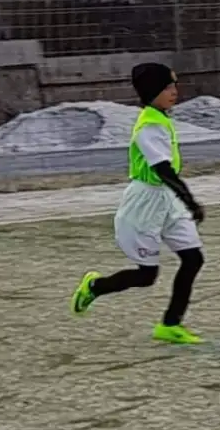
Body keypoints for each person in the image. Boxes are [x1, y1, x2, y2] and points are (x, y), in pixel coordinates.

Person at [70, 63, 207, 344]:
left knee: (193, 258)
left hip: (165, 199)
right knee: (147, 276)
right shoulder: (149, 125)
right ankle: (94, 286)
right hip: (145, 202)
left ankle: (170, 324)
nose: (174, 92)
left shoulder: (160, 118)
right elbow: (163, 170)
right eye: (167, 87)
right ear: (152, 91)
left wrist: (182, 199)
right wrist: (189, 200)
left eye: (174, 86)